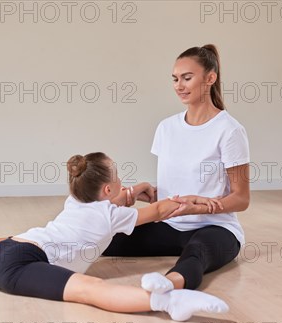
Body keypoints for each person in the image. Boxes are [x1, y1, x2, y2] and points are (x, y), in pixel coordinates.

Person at [0, 152, 229, 322]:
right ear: (108, 190)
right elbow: (161, 210)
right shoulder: (111, 216)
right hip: (21, 265)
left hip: (7, 250)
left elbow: (116, 200)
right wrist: (194, 201)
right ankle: (167, 303)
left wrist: (136, 190)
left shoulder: (75, 201)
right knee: (90, 290)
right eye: (118, 178)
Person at [103, 44, 251, 294]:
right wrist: (145, 191)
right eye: (175, 79)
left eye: (187, 78)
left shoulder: (229, 130)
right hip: (170, 226)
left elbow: (241, 198)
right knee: (106, 239)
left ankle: (168, 289)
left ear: (210, 78)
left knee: (197, 254)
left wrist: (201, 206)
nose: (179, 85)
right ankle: (33, 245)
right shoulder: (166, 128)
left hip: (215, 229)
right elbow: (178, 183)